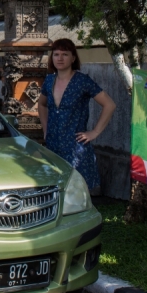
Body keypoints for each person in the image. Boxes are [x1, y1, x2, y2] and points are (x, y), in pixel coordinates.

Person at [38, 39, 116, 194]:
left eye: (65, 54)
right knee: (55, 192)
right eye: (56, 54)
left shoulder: (82, 81)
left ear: (73, 58)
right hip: (53, 146)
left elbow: (109, 104)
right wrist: (46, 130)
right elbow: (42, 104)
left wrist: (94, 132)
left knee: (78, 193)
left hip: (75, 148)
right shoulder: (49, 81)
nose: (60, 58)